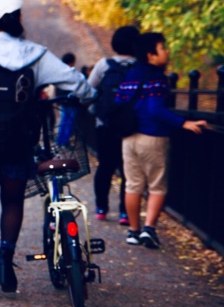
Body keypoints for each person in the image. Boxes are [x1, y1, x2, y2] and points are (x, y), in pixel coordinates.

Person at [0, 0, 94, 298]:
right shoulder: (37, 54)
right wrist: (88, 98)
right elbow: (78, 86)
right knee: (12, 203)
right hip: (18, 141)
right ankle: (6, 259)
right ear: (18, 18)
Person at [118, 32, 208, 249]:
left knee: (133, 185)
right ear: (151, 55)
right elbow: (155, 109)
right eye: (163, 47)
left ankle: (133, 230)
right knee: (157, 185)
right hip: (153, 137)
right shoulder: (157, 79)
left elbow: (118, 101)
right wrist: (182, 123)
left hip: (129, 138)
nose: (167, 51)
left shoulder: (129, 75)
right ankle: (149, 228)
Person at [88, 25, 140, 225]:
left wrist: (95, 108)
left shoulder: (104, 64)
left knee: (105, 166)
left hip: (106, 124)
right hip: (132, 126)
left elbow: (89, 89)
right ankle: (125, 212)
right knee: (129, 169)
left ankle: (101, 208)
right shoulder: (140, 66)